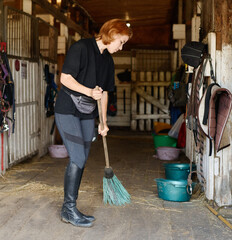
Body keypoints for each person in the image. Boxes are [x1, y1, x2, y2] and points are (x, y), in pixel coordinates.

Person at [54, 19, 132, 228]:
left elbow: (104, 92)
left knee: (83, 158)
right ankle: (69, 209)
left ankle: (69, 208)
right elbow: (65, 78)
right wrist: (89, 91)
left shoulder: (107, 60)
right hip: (68, 109)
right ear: (112, 34)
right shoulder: (81, 48)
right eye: (121, 42)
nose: (121, 47)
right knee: (77, 157)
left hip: (88, 112)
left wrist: (103, 122)